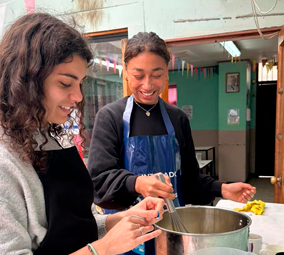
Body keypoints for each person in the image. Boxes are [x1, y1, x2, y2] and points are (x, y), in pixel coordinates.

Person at [0, 13, 165, 255]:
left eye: (79, 83)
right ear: (26, 81)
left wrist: (124, 218)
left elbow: (78, 226)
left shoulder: (52, 136)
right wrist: (101, 249)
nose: (78, 96)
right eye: (65, 83)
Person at [87, 32, 256, 254]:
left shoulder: (177, 118)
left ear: (166, 73)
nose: (147, 84)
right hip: (126, 235)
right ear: (126, 73)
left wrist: (223, 188)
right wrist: (137, 183)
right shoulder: (110, 117)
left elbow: (190, 181)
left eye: (156, 75)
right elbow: (99, 181)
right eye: (138, 75)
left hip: (172, 235)